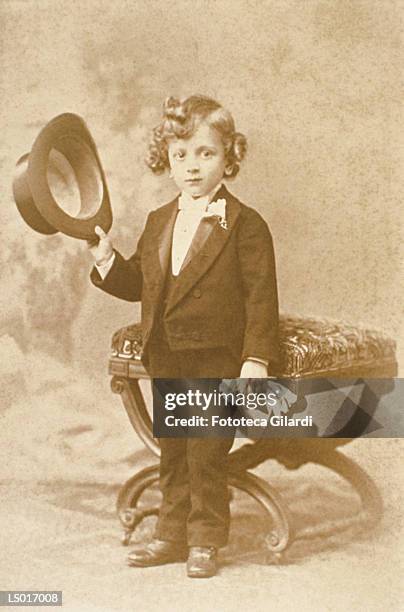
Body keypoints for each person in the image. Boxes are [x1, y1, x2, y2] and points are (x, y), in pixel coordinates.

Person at [89, 95, 279, 578]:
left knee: (207, 450)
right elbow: (140, 284)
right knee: (173, 447)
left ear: (228, 157)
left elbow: (261, 299)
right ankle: (171, 535)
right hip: (168, 354)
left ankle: (206, 539)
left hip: (216, 357)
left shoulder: (245, 224)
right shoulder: (159, 221)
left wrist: (255, 359)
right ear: (166, 160)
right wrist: (108, 261)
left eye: (205, 153)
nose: (192, 167)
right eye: (181, 156)